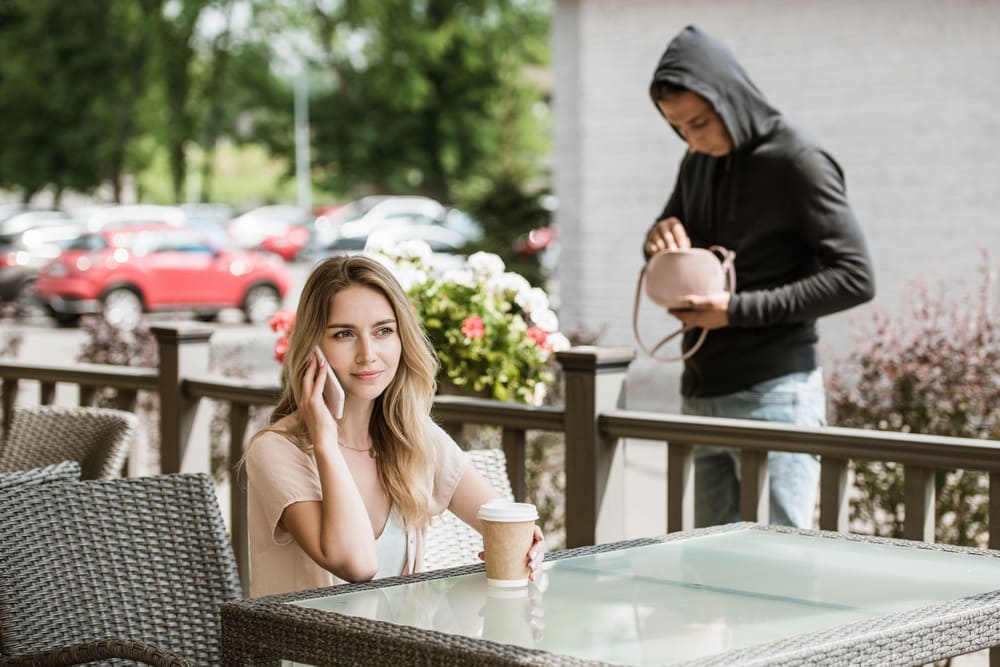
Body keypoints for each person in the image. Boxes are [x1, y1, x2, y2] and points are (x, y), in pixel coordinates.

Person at [643, 25, 875, 528]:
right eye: (679, 128)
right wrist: (660, 238)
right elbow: (669, 234)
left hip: (775, 395)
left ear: (729, 98)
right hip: (700, 393)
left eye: (700, 123)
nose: (693, 140)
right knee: (713, 582)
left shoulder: (799, 163)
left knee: (781, 577)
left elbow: (855, 276)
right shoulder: (697, 162)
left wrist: (735, 310)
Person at [244, 254, 544, 597]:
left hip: (401, 646)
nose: (368, 353)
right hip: (305, 649)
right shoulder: (276, 450)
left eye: (383, 331)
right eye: (344, 334)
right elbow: (356, 564)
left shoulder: (413, 436)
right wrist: (325, 441)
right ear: (313, 347)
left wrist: (531, 543)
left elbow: (507, 521)